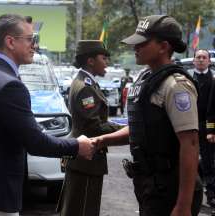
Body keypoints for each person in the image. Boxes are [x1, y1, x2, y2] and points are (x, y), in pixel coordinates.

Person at [0, 14, 95, 216]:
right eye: (30, 39)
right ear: (10, 41)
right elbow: (36, 142)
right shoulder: (9, 85)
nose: (34, 45)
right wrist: (77, 146)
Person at [94, 15, 203, 216]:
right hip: (150, 186)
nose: (135, 48)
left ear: (163, 46)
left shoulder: (176, 85)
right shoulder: (145, 79)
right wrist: (102, 140)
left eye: (142, 43)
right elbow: (141, 129)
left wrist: (183, 205)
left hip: (171, 189)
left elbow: (191, 144)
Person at [57, 40, 118, 216]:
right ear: (90, 61)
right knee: (83, 208)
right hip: (87, 160)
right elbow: (93, 126)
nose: (106, 62)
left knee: (77, 207)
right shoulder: (85, 88)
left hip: (84, 158)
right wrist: (122, 129)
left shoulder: (85, 83)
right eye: (103, 57)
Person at [191, 49, 215, 207]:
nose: (200, 60)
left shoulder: (213, 79)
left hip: (205, 126)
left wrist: (211, 130)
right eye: (198, 57)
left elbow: (213, 108)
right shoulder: (186, 78)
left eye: (203, 57)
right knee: (187, 160)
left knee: (208, 162)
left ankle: (211, 196)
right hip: (188, 126)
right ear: (194, 61)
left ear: (209, 61)